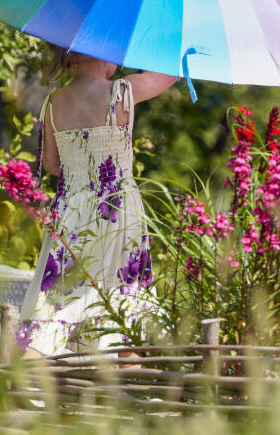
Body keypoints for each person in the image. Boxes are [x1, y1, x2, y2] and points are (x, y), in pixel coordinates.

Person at [16, 47, 177, 357]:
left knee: (58, 298)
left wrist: (81, 165)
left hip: (71, 211)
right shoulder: (121, 91)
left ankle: (32, 367)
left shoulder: (53, 101)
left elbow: (51, 165)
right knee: (122, 293)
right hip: (116, 210)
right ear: (106, 55)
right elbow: (168, 75)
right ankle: (125, 369)